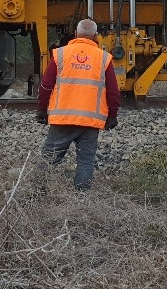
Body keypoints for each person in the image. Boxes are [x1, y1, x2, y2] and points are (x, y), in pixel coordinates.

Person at [36, 18, 121, 190]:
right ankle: (81, 200)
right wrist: (112, 116)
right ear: (96, 37)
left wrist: (42, 110)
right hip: (90, 121)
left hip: (63, 119)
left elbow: (45, 86)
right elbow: (113, 91)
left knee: (49, 158)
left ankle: (36, 194)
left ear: (75, 34)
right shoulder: (103, 58)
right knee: (85, 162)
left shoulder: (61, 54)